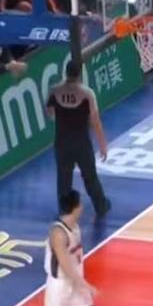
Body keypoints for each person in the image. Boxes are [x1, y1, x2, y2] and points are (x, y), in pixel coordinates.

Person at [47, 62, 111, 217]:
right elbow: (95, 120)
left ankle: (64, 211)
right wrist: (102, 144)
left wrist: (61, 118)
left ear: (66, 73)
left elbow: (49, 112)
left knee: (64, 178)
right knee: (90, 176)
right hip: (81, 142)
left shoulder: (54, 91)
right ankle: (101, 207)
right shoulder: (87, 94)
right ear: (79, 74)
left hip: (62, 141)